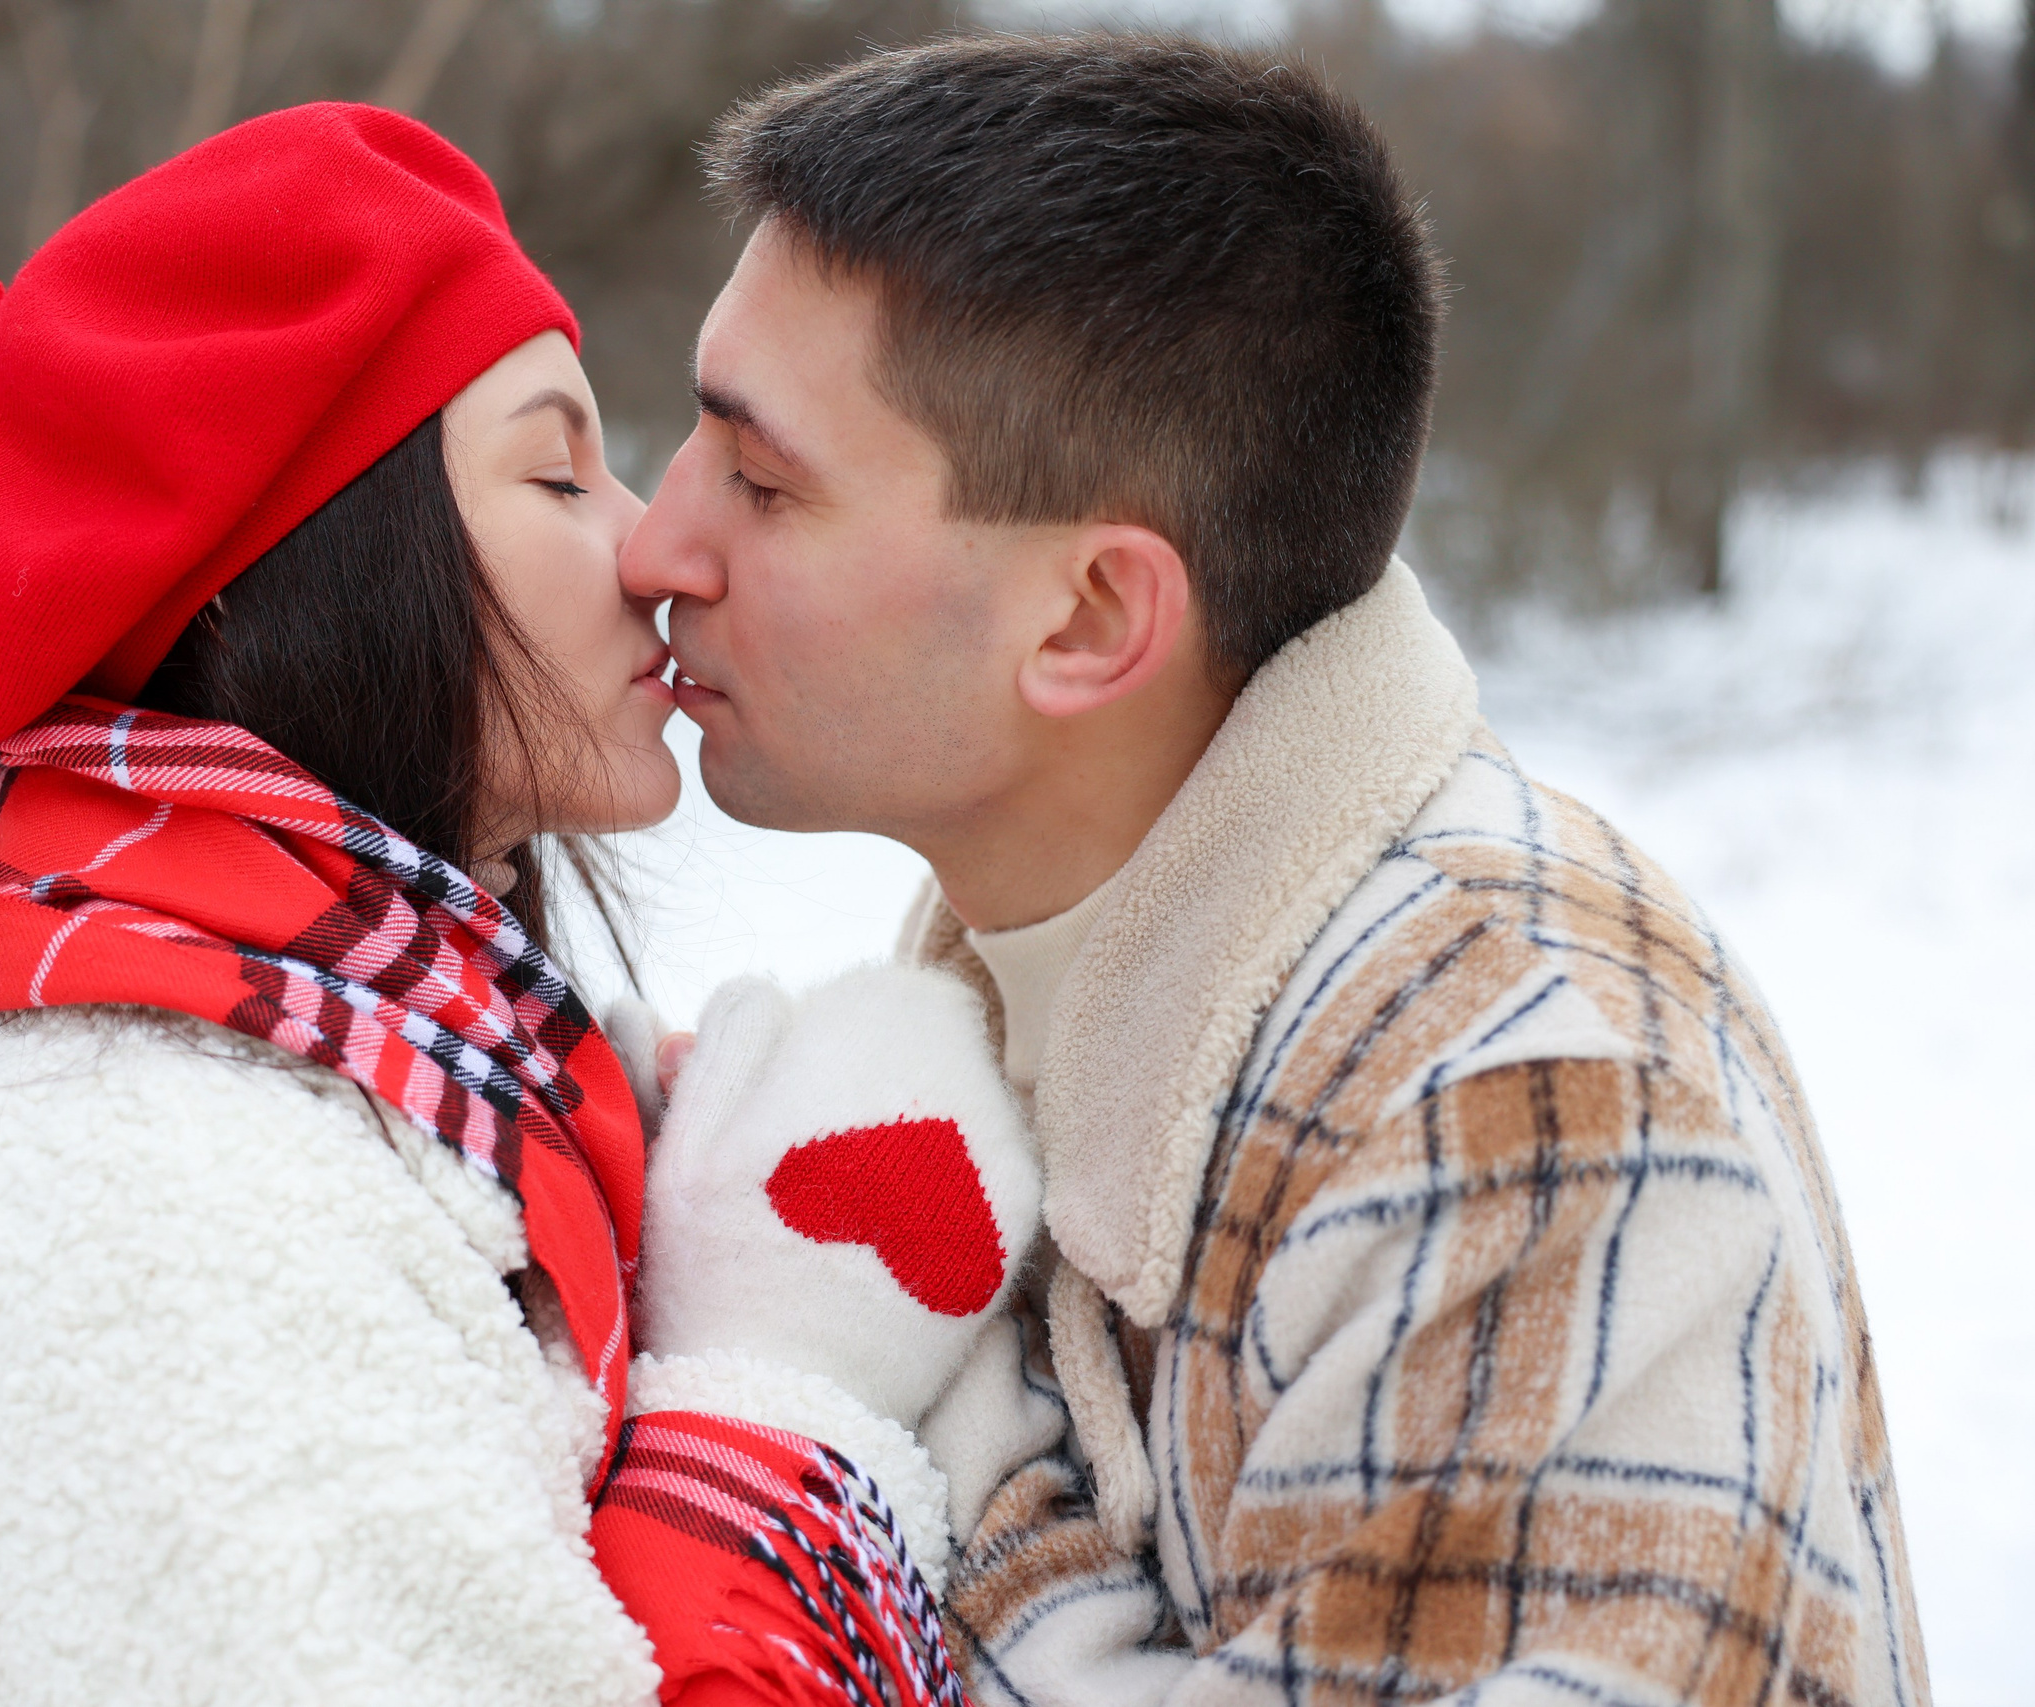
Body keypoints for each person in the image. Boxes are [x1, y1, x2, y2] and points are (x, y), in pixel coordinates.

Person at [620, 35, 1930, 1707]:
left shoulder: (1532, 1111)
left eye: (761, 479)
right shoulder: (1039, 919)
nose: (660, 544)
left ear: (1092, 621)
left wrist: (912, 1412)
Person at [0, 103, 1042, 1707]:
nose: (650, 544)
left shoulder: (402, 1092)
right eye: (554, 471)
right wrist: (784, 1396)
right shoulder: (173, 1202)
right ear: (323, 569)